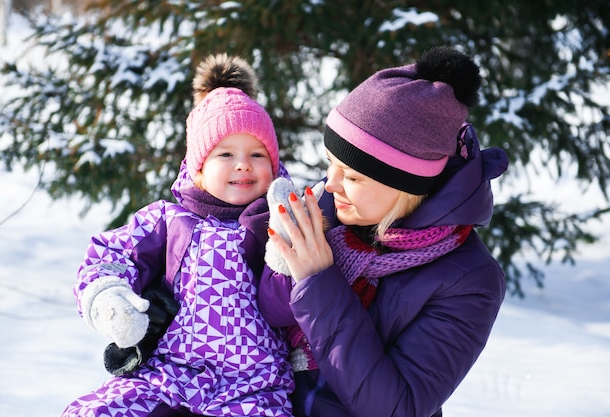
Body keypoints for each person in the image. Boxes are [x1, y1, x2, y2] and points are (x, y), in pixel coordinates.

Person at [260, 46, 509, 417]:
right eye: (330, 164)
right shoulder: (328, 208)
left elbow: (397, 408)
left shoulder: (470, 281)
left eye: (354, 176)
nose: (330, 184)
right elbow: (264, 310)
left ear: (405, 186)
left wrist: (317, 282)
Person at [61, 54, 294, 417]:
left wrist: (287, 242)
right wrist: (110, 297)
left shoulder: (277, 219)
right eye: (225, 153)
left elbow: (306, 294)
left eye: (257, 154)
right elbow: (111, 255)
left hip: (255, 382)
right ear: (198, 167)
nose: (243, 164)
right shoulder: (169, 220)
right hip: (170, 371)